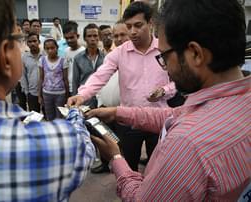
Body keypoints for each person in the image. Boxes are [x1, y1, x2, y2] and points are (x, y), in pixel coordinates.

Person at [87, 0, 251, 200]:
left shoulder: (185, 145)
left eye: (164, 57)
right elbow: (177, 114)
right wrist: (117, 112)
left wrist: (115, 158)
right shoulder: (235, 102)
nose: (165, 67)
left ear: (195, 54)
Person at [0, 0, 95, 201]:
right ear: (4, 55)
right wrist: (76, 113)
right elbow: (84, 146)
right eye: (19, 38)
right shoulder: (58, 143)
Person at [67, 2, 176, 171]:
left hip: (159, 118)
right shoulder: (120, 53)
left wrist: (165, 90)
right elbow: (100, 76)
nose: (132, 32)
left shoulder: (165, 48)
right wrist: (82, 95)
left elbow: (179, 81)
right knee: (129, 165)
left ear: (150, 23)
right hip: (129, 121)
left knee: (157, 167)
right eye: (129, 26)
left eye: (138, 25)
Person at [91, 20, 131, 174]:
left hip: (122, 111)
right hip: (104, 108)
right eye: (116, 35)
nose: (119, 39)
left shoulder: (135, 58)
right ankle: (105, 163)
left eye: (123, 35)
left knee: (121, 143)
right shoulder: (109, 56)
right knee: (104, 137)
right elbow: (100, 80)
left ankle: (123, 170)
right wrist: (100, 101)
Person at [72, 23, 105, 109]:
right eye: (89, 36)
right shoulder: (78, 58)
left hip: (102, 100)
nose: (92, 39)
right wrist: (75, 100)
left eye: (95, 36)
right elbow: (75, 82)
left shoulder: (106, 58)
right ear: (85, 38)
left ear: (99, 37)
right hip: (84, 100)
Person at [38, 38, 69, 120]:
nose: (50, 51)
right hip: (47, 93)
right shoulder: (42, 60)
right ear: (44, 49)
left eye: (52, 48)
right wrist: (39, 95)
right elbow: (41, 78)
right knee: (49, 116)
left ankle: (59, 132)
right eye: (47, 48)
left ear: (57, 48)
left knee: (60, 117)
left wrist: (67, 95)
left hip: (60, 94)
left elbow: (65, 79)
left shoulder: (63, 61)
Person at [21, 32, 43, 112]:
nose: (32, 43)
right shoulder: (24, 57)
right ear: (27, 43)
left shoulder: (45, 55)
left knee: (48, 117)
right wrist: (27, 92)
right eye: (30, 42)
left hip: (46, 92)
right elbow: (23, 76)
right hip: (32, 93)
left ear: (39, 42)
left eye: (34, 41)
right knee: (34, 118)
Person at [63, 21, 85, 96]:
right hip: (68, 88)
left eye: (72, 37)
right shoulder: (66, 51)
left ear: (77, 36)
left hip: (80, 89)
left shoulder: (83, 51)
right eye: (67, 38)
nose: (69, 40)